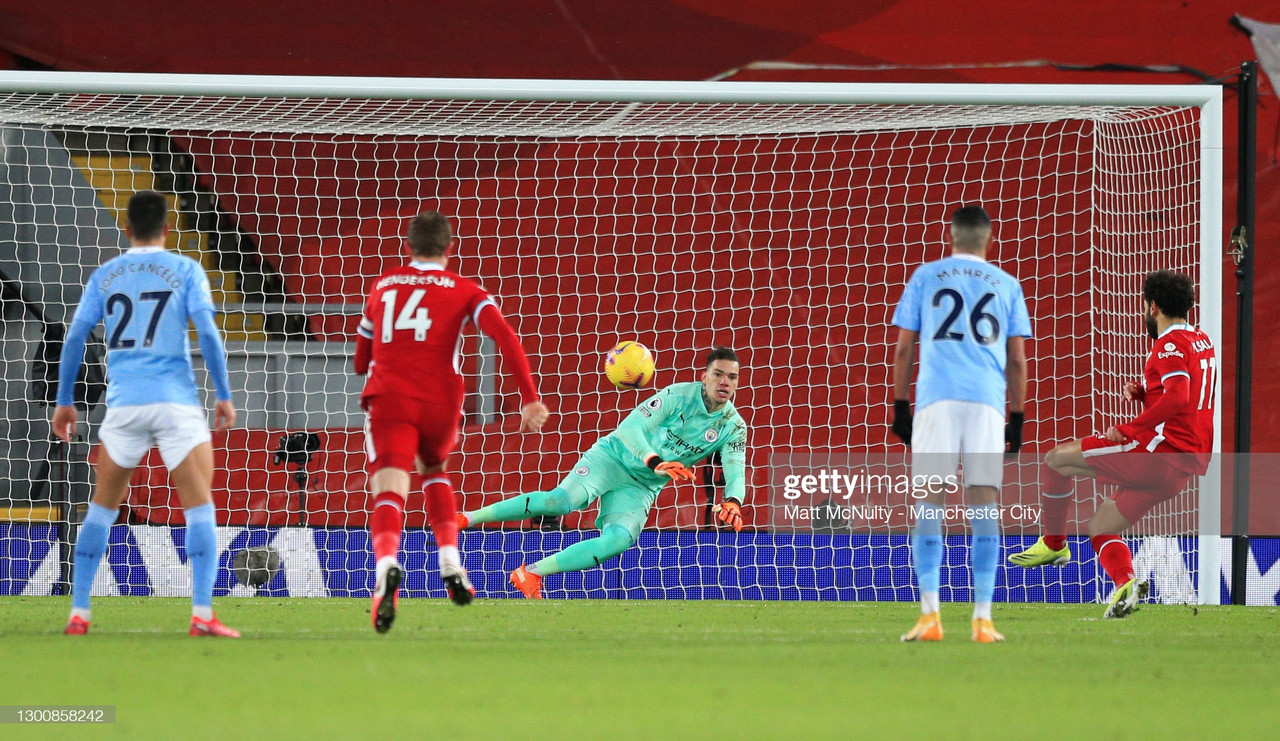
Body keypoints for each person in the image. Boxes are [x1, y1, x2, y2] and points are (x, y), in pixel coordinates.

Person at [54, 190, 238, 637]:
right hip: (175, 403)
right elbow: (210, 334)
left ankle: (79, 612)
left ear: (128, 229)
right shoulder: (186, 269)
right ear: (167, 229)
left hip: (124, 407)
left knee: (101, 509)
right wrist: (224, 393)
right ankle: (201, 613)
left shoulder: (106, 274)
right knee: (199, 509)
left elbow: (75, 336)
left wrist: (65, 400)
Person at [354, 211, 549, 633]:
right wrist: (529, 398)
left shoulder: (383, 285)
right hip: (440, 402)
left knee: (389, 486)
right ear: (449, 248)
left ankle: (386, 567)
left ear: (407, 247)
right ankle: (450, 563)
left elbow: (359, 359)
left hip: (389, 397)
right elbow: (504, 336)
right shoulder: (466, 290)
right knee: (434, 471)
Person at [458, 347, 748, 598]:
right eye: (718, 374)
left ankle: (531, 573)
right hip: (612, 458)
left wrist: (733, 500)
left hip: (641, 486)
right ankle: (464, 518)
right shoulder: (676, 396)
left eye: (732, 377)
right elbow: (629, 429)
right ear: (704, 376)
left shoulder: (733, 426)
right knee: (559, 502)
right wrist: (655, 461)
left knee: (619, 539)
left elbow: (735, 469)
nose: (724, 382)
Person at [1008, 270, 1214, 618]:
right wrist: (1148, 394)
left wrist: (1131, 427)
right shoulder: (1201, 340)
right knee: (1100, 527)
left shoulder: (1169, 344)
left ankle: (1054, 544)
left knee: (1056, 459)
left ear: (1152, 306)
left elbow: (1179, 397)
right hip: (1180, 469)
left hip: (1157, 454)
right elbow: (1187, 395)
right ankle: (1126, 585)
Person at [891, 205, 1031, 643]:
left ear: (950, 236)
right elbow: (1017, 360)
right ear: (989, 239)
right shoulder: (1007, 285)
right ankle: (983, 619)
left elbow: (903, 350)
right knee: (984, 504)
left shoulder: (926, 275)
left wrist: (900, 407)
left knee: (929, 502)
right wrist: (1018, 419)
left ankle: (930, 615)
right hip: (987, 403)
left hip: (936, 400)